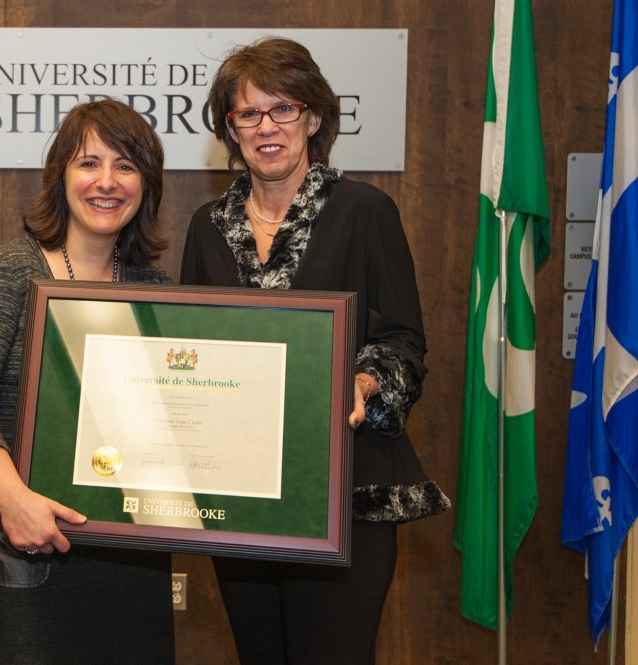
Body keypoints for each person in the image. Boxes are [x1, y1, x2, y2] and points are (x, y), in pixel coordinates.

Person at [180, 37, 451, 665]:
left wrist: (361, 382)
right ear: (230, 128)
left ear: (315, 118)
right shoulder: (207, 225)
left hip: (346, 491)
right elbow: (191, 345)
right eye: (248, 114)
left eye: (283, 109)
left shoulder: (365, 211)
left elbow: (405, 341)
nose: (266, 127)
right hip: (240, 497)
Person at [0, 98, 175, 665]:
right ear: (60, 177)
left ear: (146, 184)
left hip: (132, 550)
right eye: (88, 163)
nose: (107, 182)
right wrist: (13, 498)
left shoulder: (158, 287)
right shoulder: (8, 273)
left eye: (126, 166)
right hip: (23, 535)